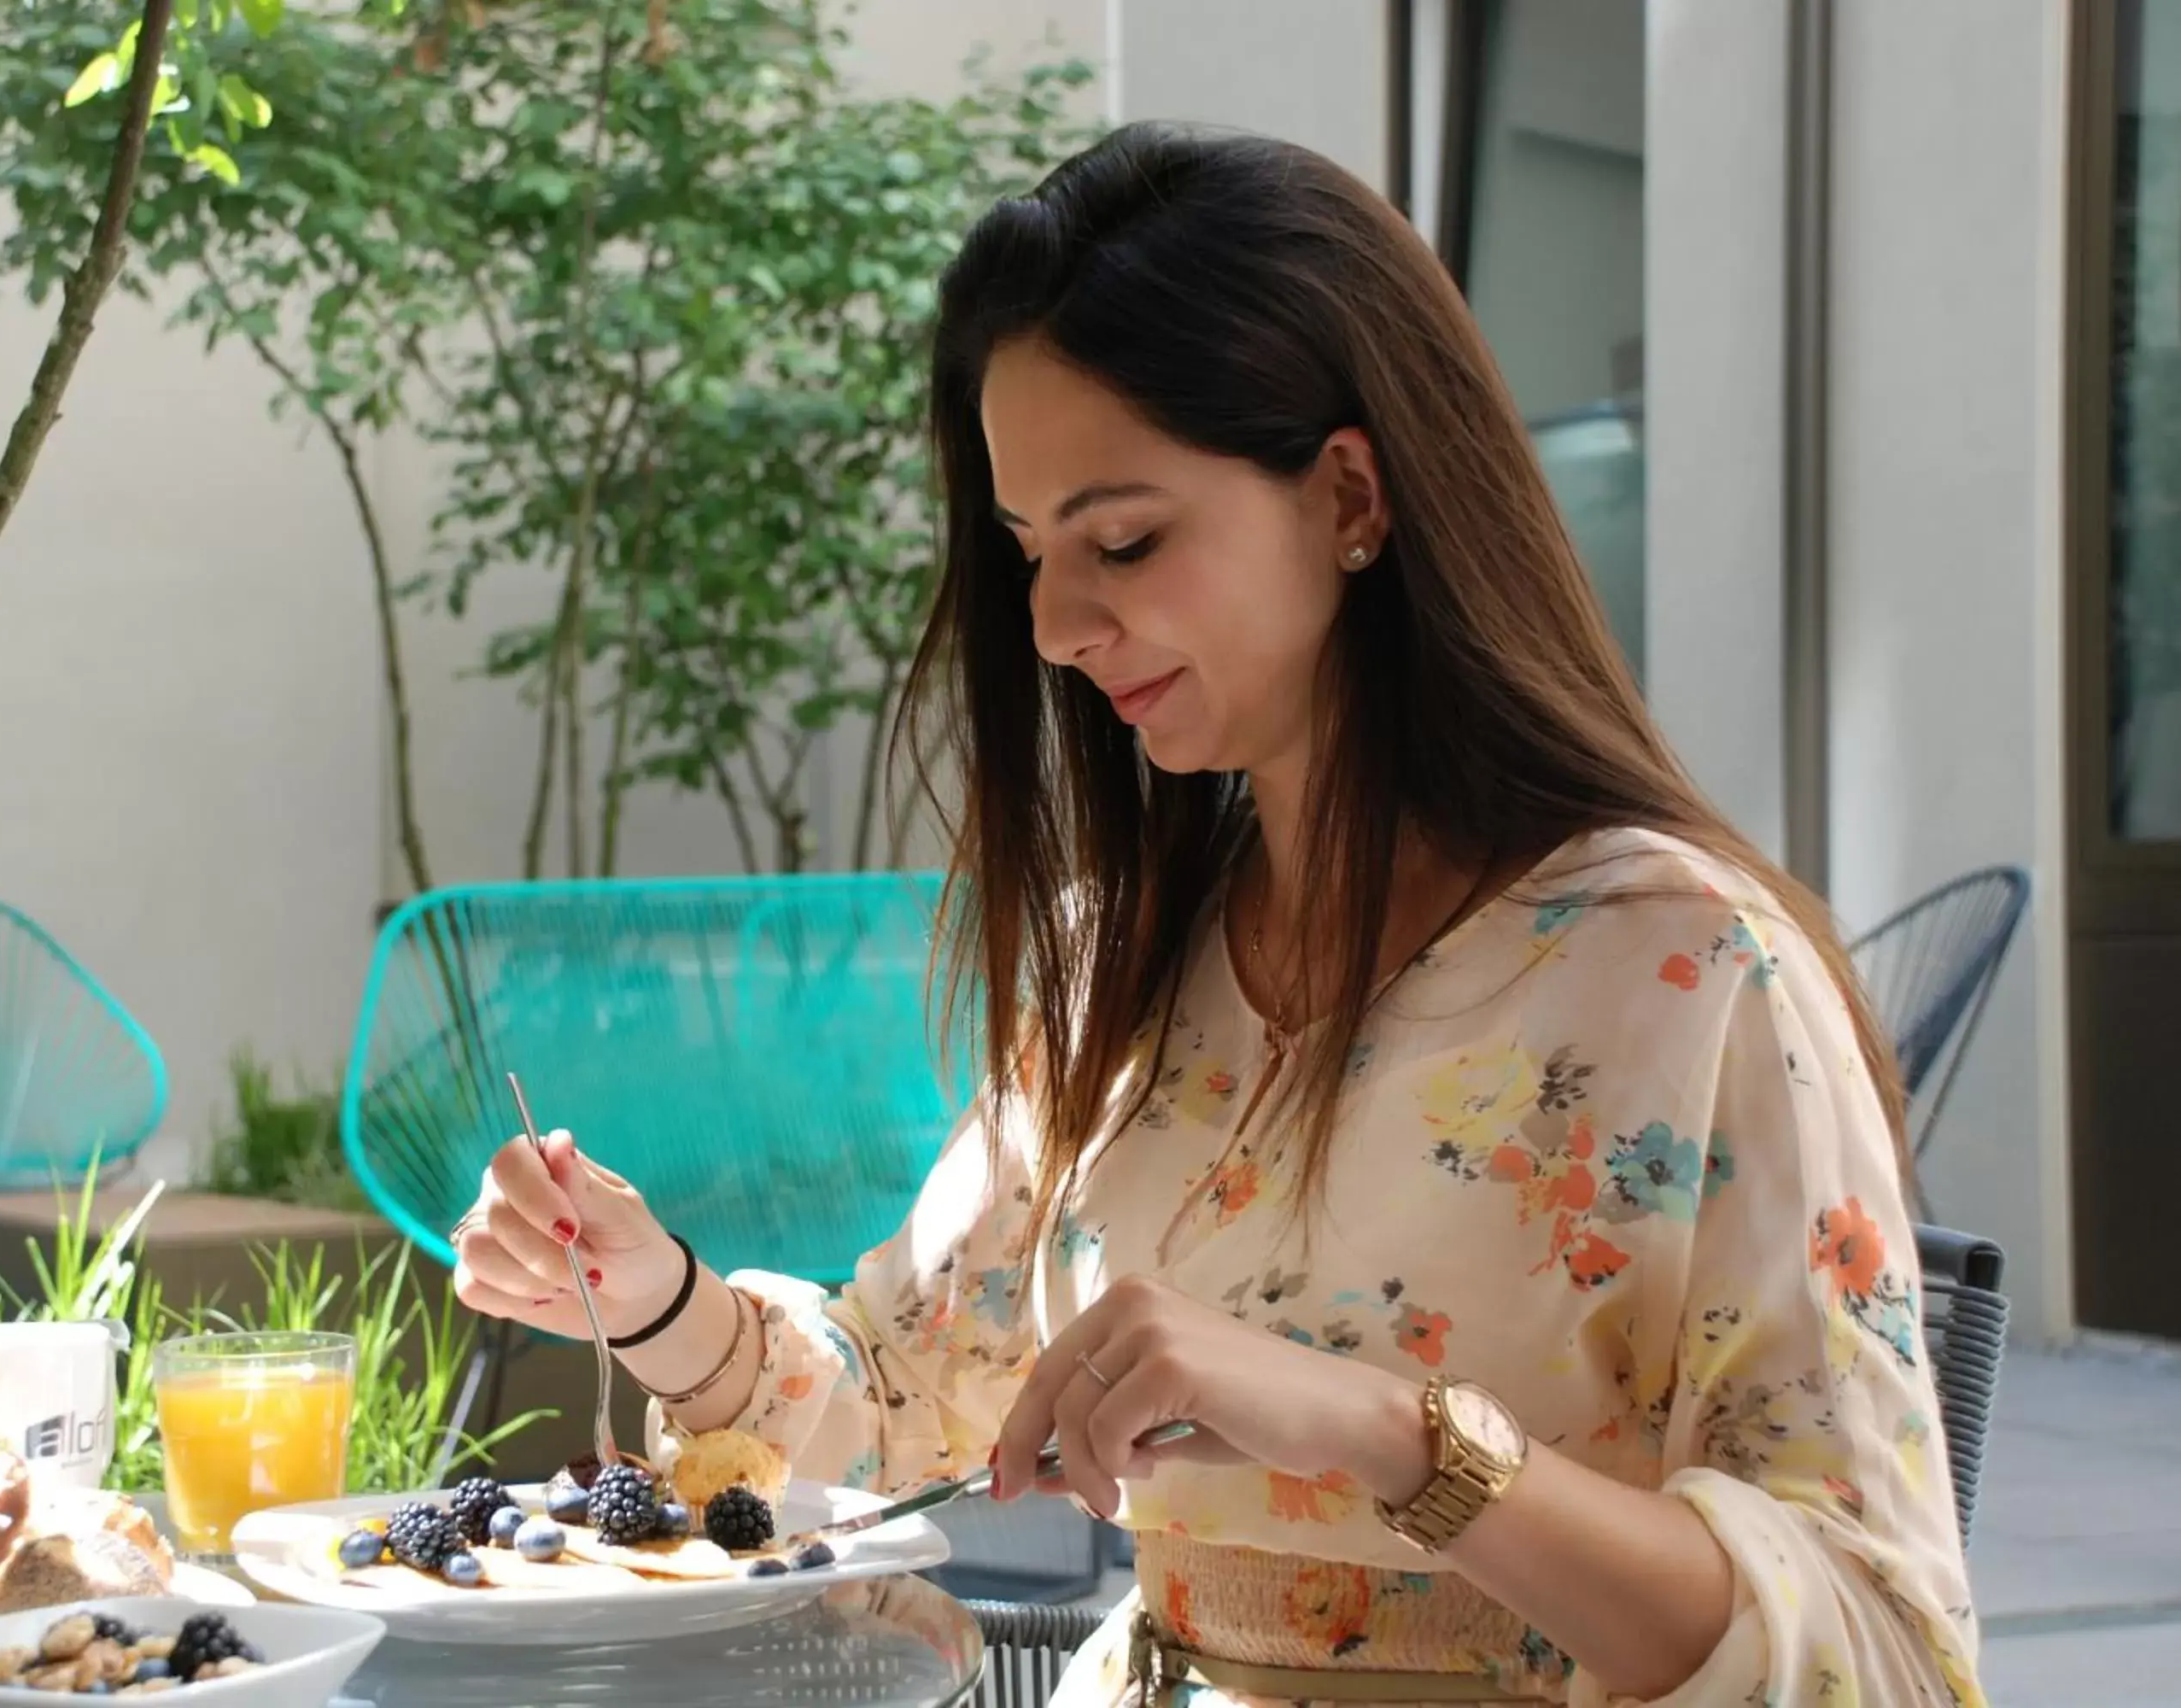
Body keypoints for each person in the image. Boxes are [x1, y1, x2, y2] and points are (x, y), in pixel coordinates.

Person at [448, 122, 1984, 1708]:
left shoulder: (1684, 973)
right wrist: (651, 1296)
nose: (1050, 625)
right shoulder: (1138, 959)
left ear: (1351, 497)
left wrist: (1385, 1432)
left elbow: (1879, 1652)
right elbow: (899, 1393)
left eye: (1124, 541)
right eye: (1030, 553)